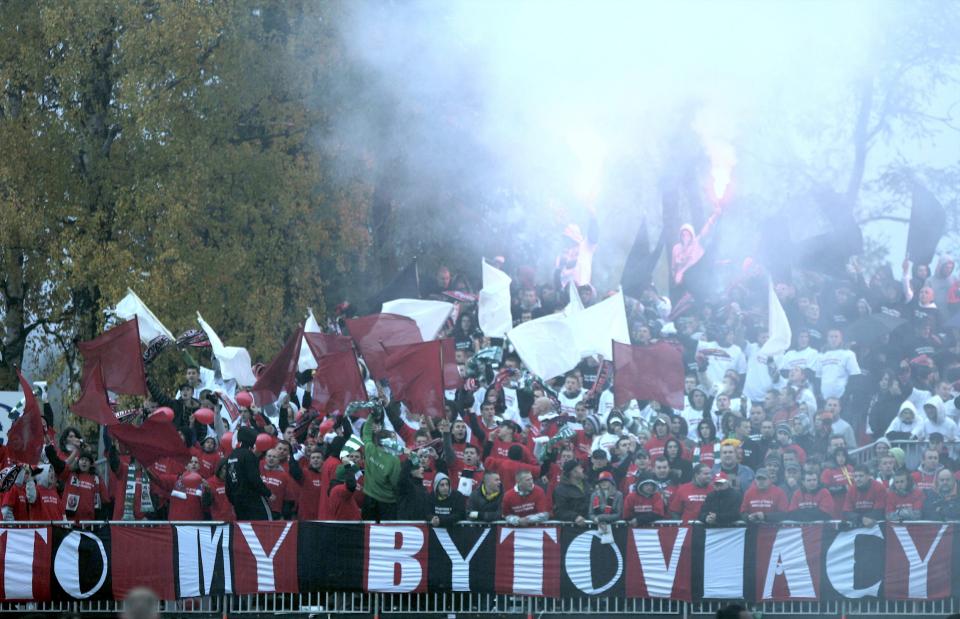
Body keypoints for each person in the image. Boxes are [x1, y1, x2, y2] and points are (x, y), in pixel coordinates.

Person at [360, 407, 402, 522]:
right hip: (387, 503)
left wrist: (372, 415)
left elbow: (366, 431)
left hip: (368, 498)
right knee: (385, 535)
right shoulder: (394, 461)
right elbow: (395, 484)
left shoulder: (369, 448)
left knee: (368, 532)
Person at [225, 426, 272, 520]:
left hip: (237, 501)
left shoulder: (232, 455)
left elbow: (228, 480)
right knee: (266, 524)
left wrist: (233, 499)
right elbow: (254, 478)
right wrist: (268, 493)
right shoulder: (249, 455)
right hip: (252, 500)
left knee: (244, 529)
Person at [552, 459, 589, 524]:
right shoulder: (561, 490)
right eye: (580, 468)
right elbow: (559, 511)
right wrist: (574, 517)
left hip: (591, 524)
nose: (582, 469)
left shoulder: (588, 484)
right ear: (573, 472)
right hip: (572, 528)